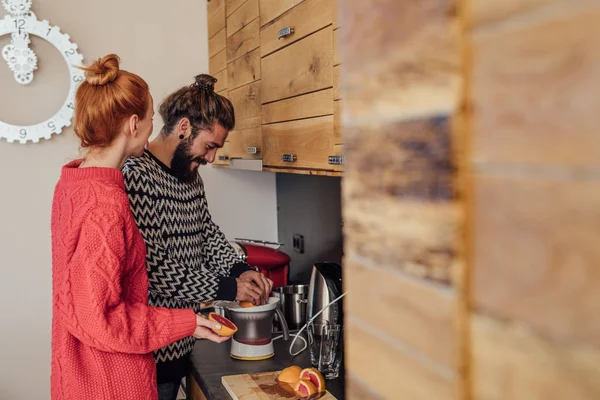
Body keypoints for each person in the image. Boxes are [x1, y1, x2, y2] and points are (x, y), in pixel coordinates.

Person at [50, 55, 229, 400]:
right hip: (111, 380)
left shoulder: (74, 183)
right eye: (149, 120)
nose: (151, 132)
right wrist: (188, 322)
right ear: (133, 124)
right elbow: (102, 320)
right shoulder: (105, 202)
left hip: (83, 372)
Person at [122, 74, 273, 400]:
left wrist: (239, 269)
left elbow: (207, 232)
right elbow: (155, 271)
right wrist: (231, 289)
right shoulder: (137, 177)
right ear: (185, 127)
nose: (210, 158)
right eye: (210, 146)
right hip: (151, 353)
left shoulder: (189, 177)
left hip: (182, 343)